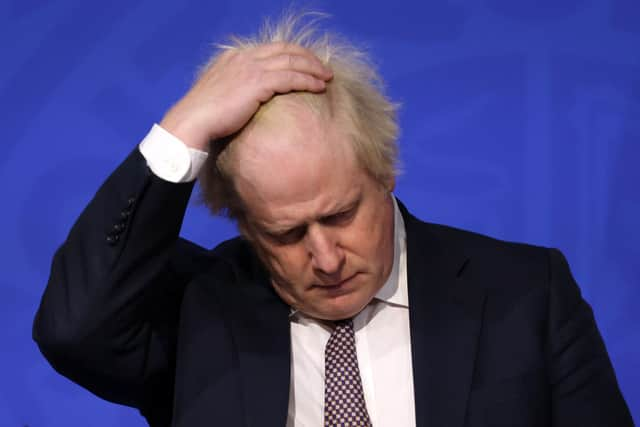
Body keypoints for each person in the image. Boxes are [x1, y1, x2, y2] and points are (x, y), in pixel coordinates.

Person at [33, 11, 633, 427]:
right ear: (243, 224)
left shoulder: (526, 293)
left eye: (342, 214)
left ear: (385, 173)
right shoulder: (200, 312)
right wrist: (183, 127)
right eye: (286, 233)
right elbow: (73, 328)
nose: (324, 258)